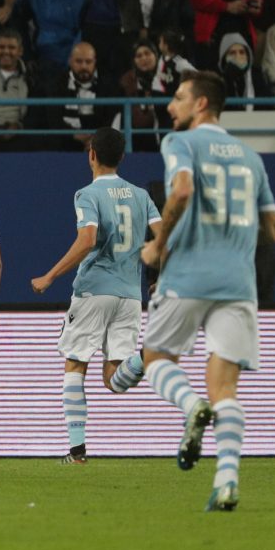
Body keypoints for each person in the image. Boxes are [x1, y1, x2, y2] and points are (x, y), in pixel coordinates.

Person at [139, 72, 275, 511]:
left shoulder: (180, 143)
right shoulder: (251, 158)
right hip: (238, 283)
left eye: (178, 98)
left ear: (201, 105)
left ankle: (189, 404)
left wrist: (159, 246)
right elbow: (274, 230)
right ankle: (226, 481)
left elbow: (182, 189)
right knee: (227, 390)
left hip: (188, 275)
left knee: (156, 358)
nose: (170, 107)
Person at [30, 127, 163, 464]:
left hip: (93, 290)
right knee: (115, 380)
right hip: (130, 296)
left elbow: (87, 239)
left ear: (91, 154)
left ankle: (77, 453)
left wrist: (50, 275)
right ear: (121, 157)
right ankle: (147, 357)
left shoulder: (86, 194)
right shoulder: (141, 195)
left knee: (75, 365)